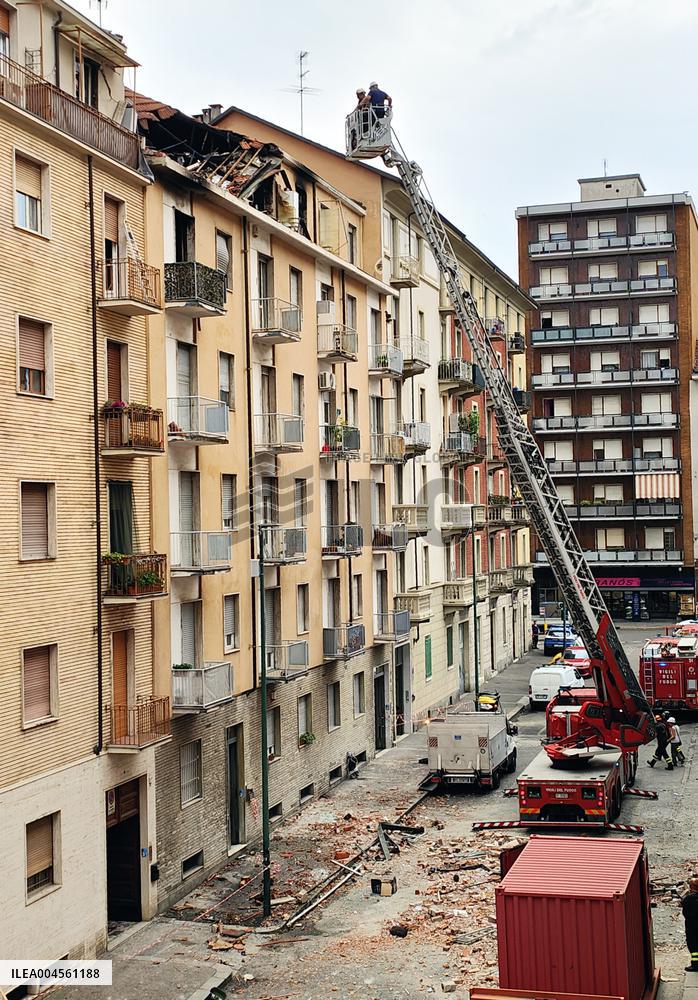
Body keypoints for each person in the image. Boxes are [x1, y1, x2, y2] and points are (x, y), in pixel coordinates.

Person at [681, 877, 698, 972]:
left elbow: (685, 912)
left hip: (692, 926)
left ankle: (695, 965)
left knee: (693, 946)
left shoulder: (689, 899)